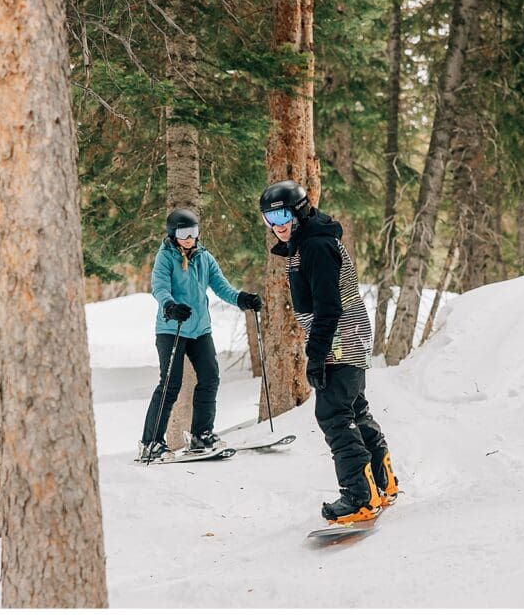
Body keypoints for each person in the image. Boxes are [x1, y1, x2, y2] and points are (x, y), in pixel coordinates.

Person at [258, 180, 399, 523]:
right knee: (353, 411)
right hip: (346, 338)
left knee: (334, 416)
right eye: (269, 219)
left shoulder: (316, 246)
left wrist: (317, 354)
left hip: (340, 339)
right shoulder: (304, 243)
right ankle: (382, 482)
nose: (278, 226)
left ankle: (359, 497)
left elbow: (328, 307)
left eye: (283, 216)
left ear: (300, 211)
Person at [138, 208, 262, 463]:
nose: (189, 238)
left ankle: (201, 435)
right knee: (170, 384)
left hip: (200, 329)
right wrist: (170, 306)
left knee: (210, 377)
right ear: (173, 235)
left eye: (193, 232)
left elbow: (221, 286)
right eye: (183, 233)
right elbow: (159, 287)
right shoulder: (165, 257)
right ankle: (151, 442)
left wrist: (242, 299)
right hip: (172, 328)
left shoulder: (204, 257)